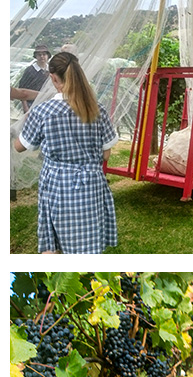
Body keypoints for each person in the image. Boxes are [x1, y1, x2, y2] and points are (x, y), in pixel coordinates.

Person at [13, 50, 118, 253]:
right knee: (89, 235)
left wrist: (21, 126)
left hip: (58, 184)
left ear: (53, 78)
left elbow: (20, 146)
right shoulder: (97, 109)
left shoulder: (43, 112)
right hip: (91, 183)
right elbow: (106, 154)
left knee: (55, 236)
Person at [18, 45, 50, 110]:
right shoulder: (30, 70)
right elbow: (22, 88)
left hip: (47, 103)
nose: (42, 57)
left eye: (44, 54)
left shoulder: (51, 70)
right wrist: (25, 107)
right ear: (36, 57)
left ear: (48, 56)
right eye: (39, 55)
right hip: (31, 103)